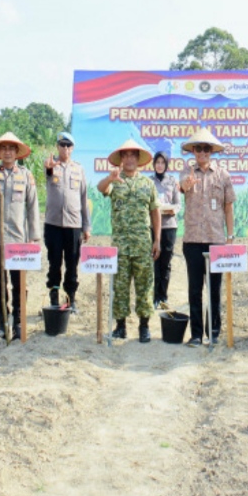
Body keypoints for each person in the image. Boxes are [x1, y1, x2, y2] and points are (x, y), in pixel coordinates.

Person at [97, 139, 160, 343]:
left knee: (145, 286)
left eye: (134, 155)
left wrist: (157, 239)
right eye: (126, 155)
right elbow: (100, 188)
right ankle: (120, 326)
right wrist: (110, 178)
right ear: (121, 159)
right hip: (121, 247)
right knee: (121, 287)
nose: (130, 158)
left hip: (143, 244)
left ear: (138, 159)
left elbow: (155, 212)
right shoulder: (114, 182)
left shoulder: (148, 184)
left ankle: (144, 326)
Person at [0, 132, 41, 340]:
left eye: (11, 149)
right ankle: (2, 323)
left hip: (18, 239)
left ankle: (18, 323)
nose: (7, 152)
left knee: (19, 283)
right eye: (4, 148)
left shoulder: (25, 175)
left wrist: (34, 235)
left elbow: (33, 206)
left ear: (17, 153)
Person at [179, 128, 235, 347]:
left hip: (216, 240)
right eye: (198, 149)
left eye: (205, 149)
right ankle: (195, 334)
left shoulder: (223, 175)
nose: (201, 153)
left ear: (211, 151)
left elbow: (228, 207)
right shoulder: (187, 171)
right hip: (192, 239)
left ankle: (213, 331)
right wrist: (187, 184)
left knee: (214, 289)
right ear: (193, 151)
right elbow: (182, 186)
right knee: (194, 289)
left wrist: (230, 236)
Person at [43, 131, 91, 312]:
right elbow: (47, 173)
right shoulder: (51, 165)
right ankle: (54, 296)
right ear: (57, 146)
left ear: (72, 148)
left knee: (72, 263)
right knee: (54, 262)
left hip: (73, 225)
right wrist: (49, 168)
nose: (65, 148)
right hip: (53, 224)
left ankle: (71, 298)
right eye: (62, 145)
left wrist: (86, 226)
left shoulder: (78, 169)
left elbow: (83, 198)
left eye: (68, 145)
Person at [150, 150, 179, 310]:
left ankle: (163, 296)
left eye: (163, 162)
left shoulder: (172, 181)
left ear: (166, 165)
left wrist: (171, 209)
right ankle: (155, 297)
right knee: (155, 260)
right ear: (154, 164)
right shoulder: (149, 181)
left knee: (166, 263)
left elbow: (178, 204)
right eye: (157, 162)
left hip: (169, 226)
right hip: (154, 226)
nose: (160, 165)